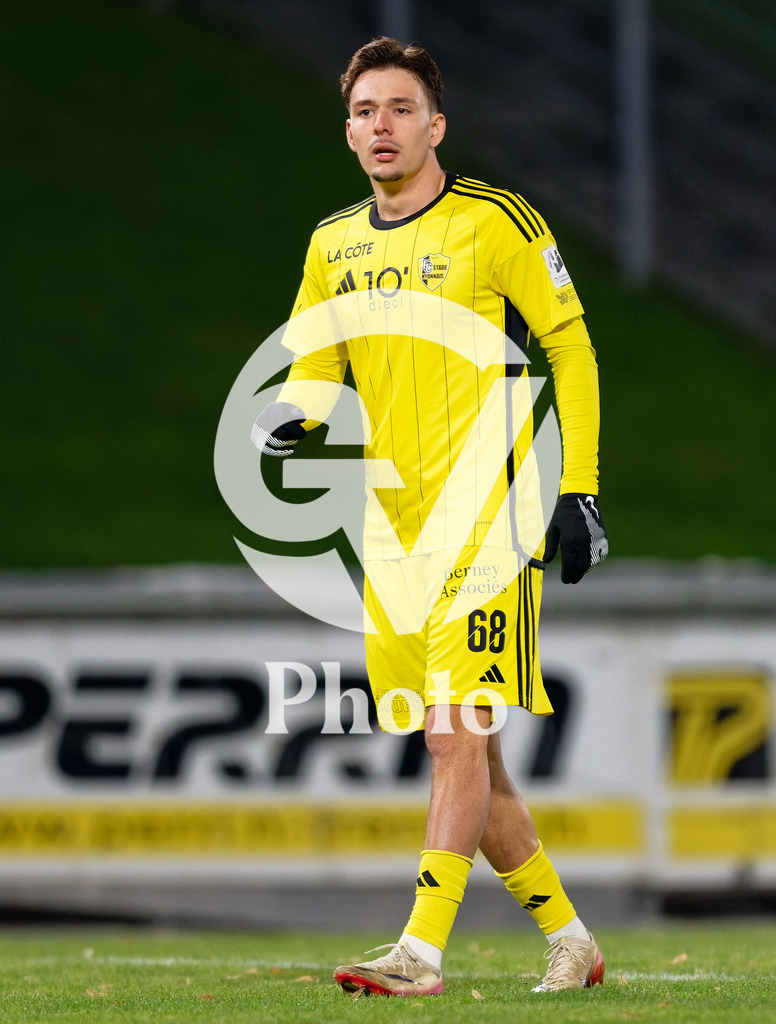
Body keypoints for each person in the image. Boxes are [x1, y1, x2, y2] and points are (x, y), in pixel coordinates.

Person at [251, 37, 609, 996]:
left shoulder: (497, 222)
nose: (381, 127)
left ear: (436, 125)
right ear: (349, 130)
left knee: (455, 735)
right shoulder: (335, 244)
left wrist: (581, 488)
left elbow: (571, 350)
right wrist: (298, 416)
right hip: (391, 532)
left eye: (400, 109)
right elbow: (318, 361)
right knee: (469, 758)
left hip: (490, 510)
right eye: (366, 111)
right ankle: (571, 941)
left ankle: (419, 952)